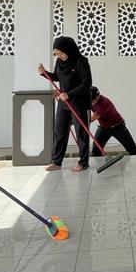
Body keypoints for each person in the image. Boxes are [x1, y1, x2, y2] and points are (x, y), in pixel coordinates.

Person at [38, 36, 93, 172]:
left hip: (80, 103)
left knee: (81, 134)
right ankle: (56, 162)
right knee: (60, 132)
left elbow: (87, 83)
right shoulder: (59, 62)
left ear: (68, 49)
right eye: (57, 53)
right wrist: (44, 73)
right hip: (64, 104)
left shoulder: (81, 62)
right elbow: (57, 77)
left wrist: (69, 94)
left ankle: (83, 162)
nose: (60, 56)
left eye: (61, 52)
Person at [90, 86, 136, 156]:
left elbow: (90, 119)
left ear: (98, 95)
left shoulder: (104, 104)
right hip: (103, 128)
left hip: (118, 127)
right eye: (91, 100)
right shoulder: (89, 100)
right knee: (95, 151)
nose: (93, 102)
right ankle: (100, 165)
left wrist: (75, 121)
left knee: (133, 150)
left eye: (94, 100)